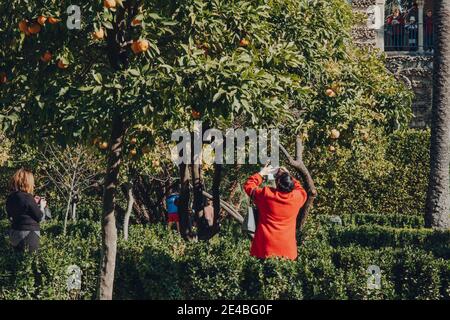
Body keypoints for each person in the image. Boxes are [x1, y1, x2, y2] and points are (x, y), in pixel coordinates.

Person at [243, 164, 307, 260]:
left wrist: (261, 173)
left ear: (277, 183)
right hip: (288, 251)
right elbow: (301, 189)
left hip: (264, 249)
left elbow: (249, 185)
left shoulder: (266, 195)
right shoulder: (298, 197)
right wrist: (288, 176)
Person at [6, 168, 45, 253]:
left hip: (14, 233)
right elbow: (39, 217)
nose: (33, 185)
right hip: (29, 234)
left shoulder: (10, 198)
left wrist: (33, 202)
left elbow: (10, 216)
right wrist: (42, 206)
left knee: (17, 261)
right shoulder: (28, 197)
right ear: (27, 182)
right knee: (30, 261)